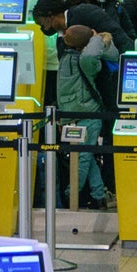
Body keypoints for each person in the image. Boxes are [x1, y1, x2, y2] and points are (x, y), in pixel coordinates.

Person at [54, 24, 114, 208]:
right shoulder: (85, 61)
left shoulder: (65, 56)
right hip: (87, 113)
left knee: (85, 156)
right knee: (84, 157)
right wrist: (97, 38)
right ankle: (70, 196)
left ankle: (98, 195)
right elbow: (94, 55)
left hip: (70, 114)